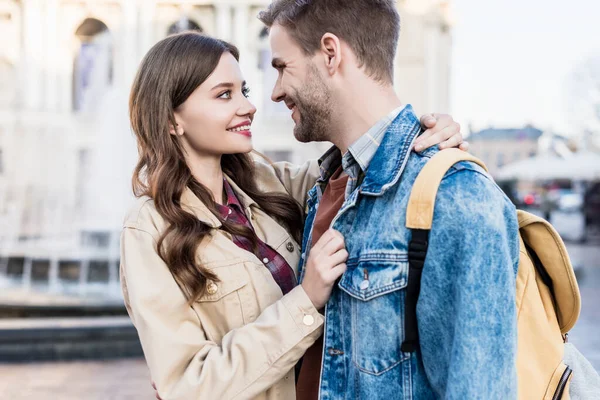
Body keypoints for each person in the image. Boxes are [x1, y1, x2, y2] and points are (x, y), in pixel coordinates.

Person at [121, 32, 466, 400]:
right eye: (224, 95)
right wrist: (305, 299)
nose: (249, 106)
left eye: (244, 91)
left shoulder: (269, 184)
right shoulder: (148, 229)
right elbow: (187, 384)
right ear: (173, 120)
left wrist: (424, 135)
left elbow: (364, 159)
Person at [258, 0, 520, 399]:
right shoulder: (327, 186)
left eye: (281, 67)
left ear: (331, 53)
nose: (275, 92)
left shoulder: (457, 196)